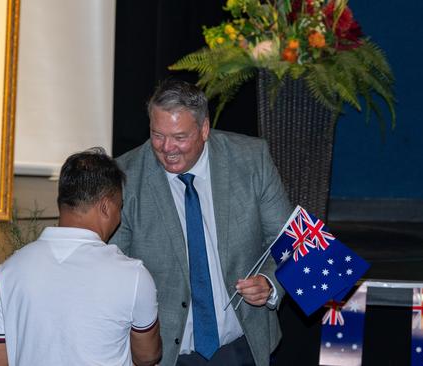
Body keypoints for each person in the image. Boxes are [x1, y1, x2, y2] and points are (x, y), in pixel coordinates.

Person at [109, 79, 292, 366]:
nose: (167, 148)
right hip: (165, 354)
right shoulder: (125, 177)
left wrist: (269, 283)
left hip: (242, 345)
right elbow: (111, 266)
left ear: (204, 129)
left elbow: (286, 239)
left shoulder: (250, 159)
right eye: (157, 135)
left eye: (180, 137)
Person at [0, 148, 162, 366]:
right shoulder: (134, 276)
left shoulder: (9, 271)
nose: (119, 216)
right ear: (106, 206)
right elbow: (148, 356)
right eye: (120, 206)